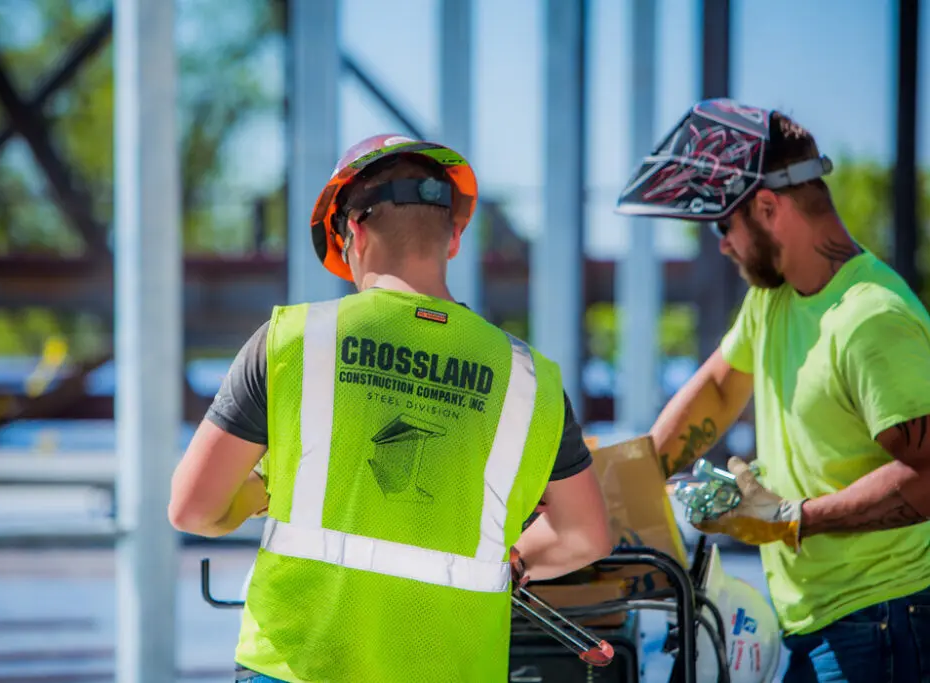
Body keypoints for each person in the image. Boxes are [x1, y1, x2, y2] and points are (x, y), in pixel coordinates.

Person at [169, 134, 613, 682]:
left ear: (351, 230)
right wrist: (516, 560)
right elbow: (586, 534)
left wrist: (265, 488)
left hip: (295, 667)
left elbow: (194, 508)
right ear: (453, 237)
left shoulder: (292, 341)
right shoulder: (529, 379)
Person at [615, 98, 930, 682]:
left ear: (766, 207)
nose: (722, 244)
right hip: (824, 623)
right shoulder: (774, 299)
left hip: (885, 621)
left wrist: (792, 518)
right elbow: (715, 389)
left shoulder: (870, 319)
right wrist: (624, 489)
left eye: (723, 224)